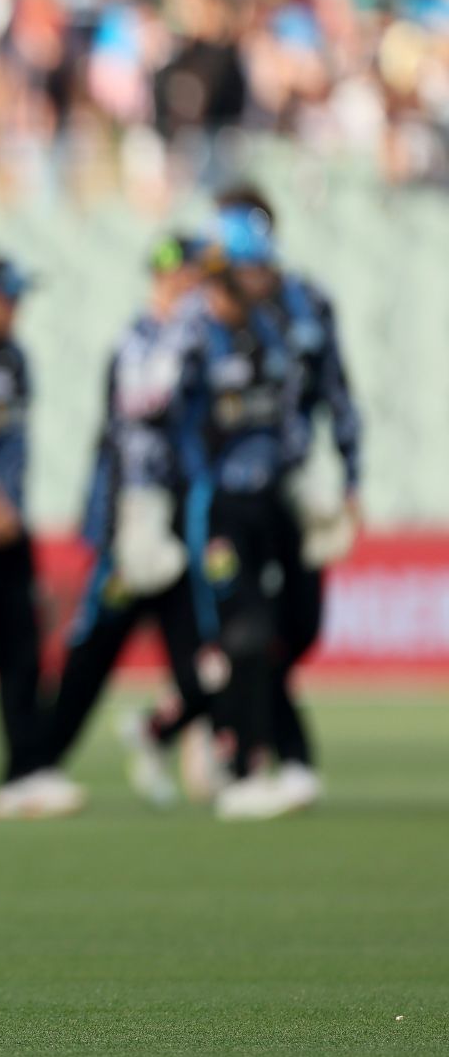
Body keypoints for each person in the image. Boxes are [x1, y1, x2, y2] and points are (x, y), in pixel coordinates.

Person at [123, 209, 306, 821]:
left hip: (267, 504)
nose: (264, 278)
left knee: (262, 637)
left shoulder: (270, 329)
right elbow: (141, 405)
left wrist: (305, 481)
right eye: (253, 267)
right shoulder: (190, 334)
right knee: (241, 635)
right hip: (212, 507)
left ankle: (161, 730)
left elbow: (285, 415)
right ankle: (239, 768)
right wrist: (145, 504)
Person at [39, 234, 219, 806]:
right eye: (176, 279)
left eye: (192, 278)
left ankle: (160, 733)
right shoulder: (139, 344)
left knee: (206, 669)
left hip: (184, 532)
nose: (184, 289)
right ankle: (38, 764)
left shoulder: (205, 342)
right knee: (91, 654)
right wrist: (105, 527)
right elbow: (128, 425)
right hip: (132, 530)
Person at [219, 185, 360, 812]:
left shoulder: (306, 306)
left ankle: (212, 715)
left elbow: (338, 391)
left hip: (293, 490)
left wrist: (351, 479)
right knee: (249, 628)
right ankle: (260, 755)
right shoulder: (212, 319)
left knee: (298, 625)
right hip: (229, 495)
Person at [0, 254, 86, 820]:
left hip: (10, 527)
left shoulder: (15, 360)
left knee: (22, 652)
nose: (15, 309)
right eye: (7, 298)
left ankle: (24, 772)